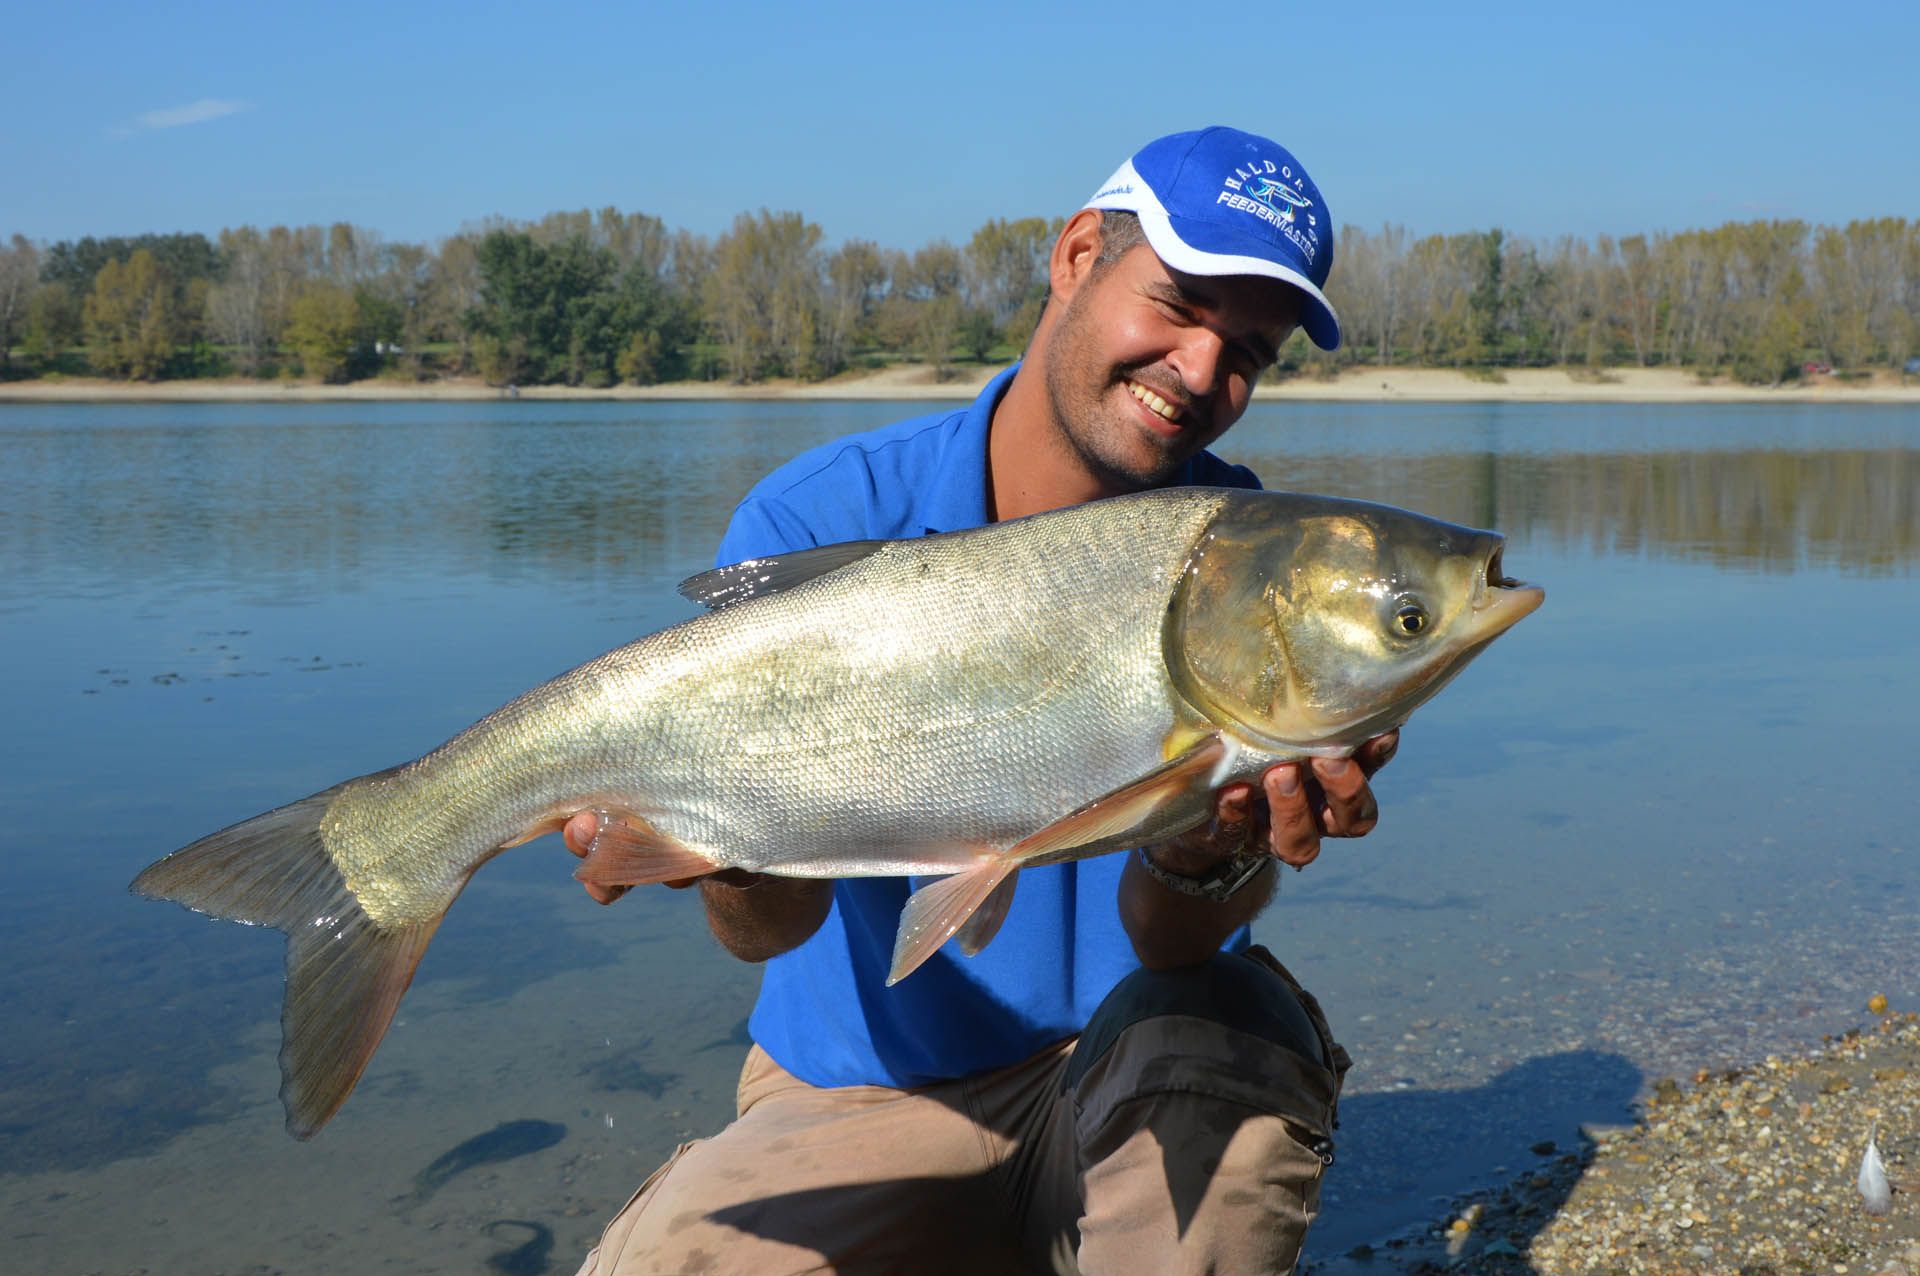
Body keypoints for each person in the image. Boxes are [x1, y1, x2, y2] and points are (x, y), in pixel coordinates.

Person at [568, 126, 1397, 1276]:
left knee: (1237, 1031)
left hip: (1122, 1080)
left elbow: (1174, 944)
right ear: (1074, 258)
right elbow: (763, 932)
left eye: (1248, 350)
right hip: (856, 1090)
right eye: (1178, 306)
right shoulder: (820, 517)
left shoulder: (1251, 562)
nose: (1204, 374)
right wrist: (720, 847)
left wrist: (1214, 846)